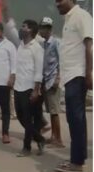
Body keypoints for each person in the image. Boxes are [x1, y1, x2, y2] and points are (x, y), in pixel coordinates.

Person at [1, 0, 46, 157]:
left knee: (27, 118)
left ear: (31, 30)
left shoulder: (37, 48)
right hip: (18, 87)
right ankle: (40, 138)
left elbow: (39, 71)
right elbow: (9, 27)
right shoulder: (19, 44)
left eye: (24, 27)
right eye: (22, 26)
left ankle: (27, 148)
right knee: (21, 117)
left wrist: (36, 90)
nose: (21, 28)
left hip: (29, 88)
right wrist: (5, 13)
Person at [54, 0, 92, 172]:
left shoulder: (81, 16)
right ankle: (77, 159)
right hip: (70, 77)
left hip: (78, 75)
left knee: (75, 119)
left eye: (60, 0)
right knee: (76, 119)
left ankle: (76, 163)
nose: (57, 4)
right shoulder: (68, 21)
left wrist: (89, 73)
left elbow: (89, 46)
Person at [38, 17, 65, 148]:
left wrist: (58, 78)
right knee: (51, 111)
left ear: (49, 29)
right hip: (47, 81)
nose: (42, 30)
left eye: (44, 27)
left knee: (54, 112)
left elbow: (61, 61)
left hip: (53, 80)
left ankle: (58, 139)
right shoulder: (45, 44)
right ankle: (53, 136)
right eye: (41, 27)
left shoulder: (56, 43)